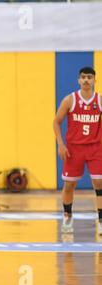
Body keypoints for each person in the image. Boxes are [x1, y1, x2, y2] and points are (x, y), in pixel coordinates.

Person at [53, 66, 102, 234]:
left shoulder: (99, 100)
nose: (86, 80)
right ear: (79, 80)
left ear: (95, 80)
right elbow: (56, 122)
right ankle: (67, 215)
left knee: (99, 184)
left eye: (89, 77)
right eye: (83, 77)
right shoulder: (70, 100)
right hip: (74, 149)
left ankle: (101, 219)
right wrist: (60, 144)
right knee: (69, 185)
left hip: (95, 147)